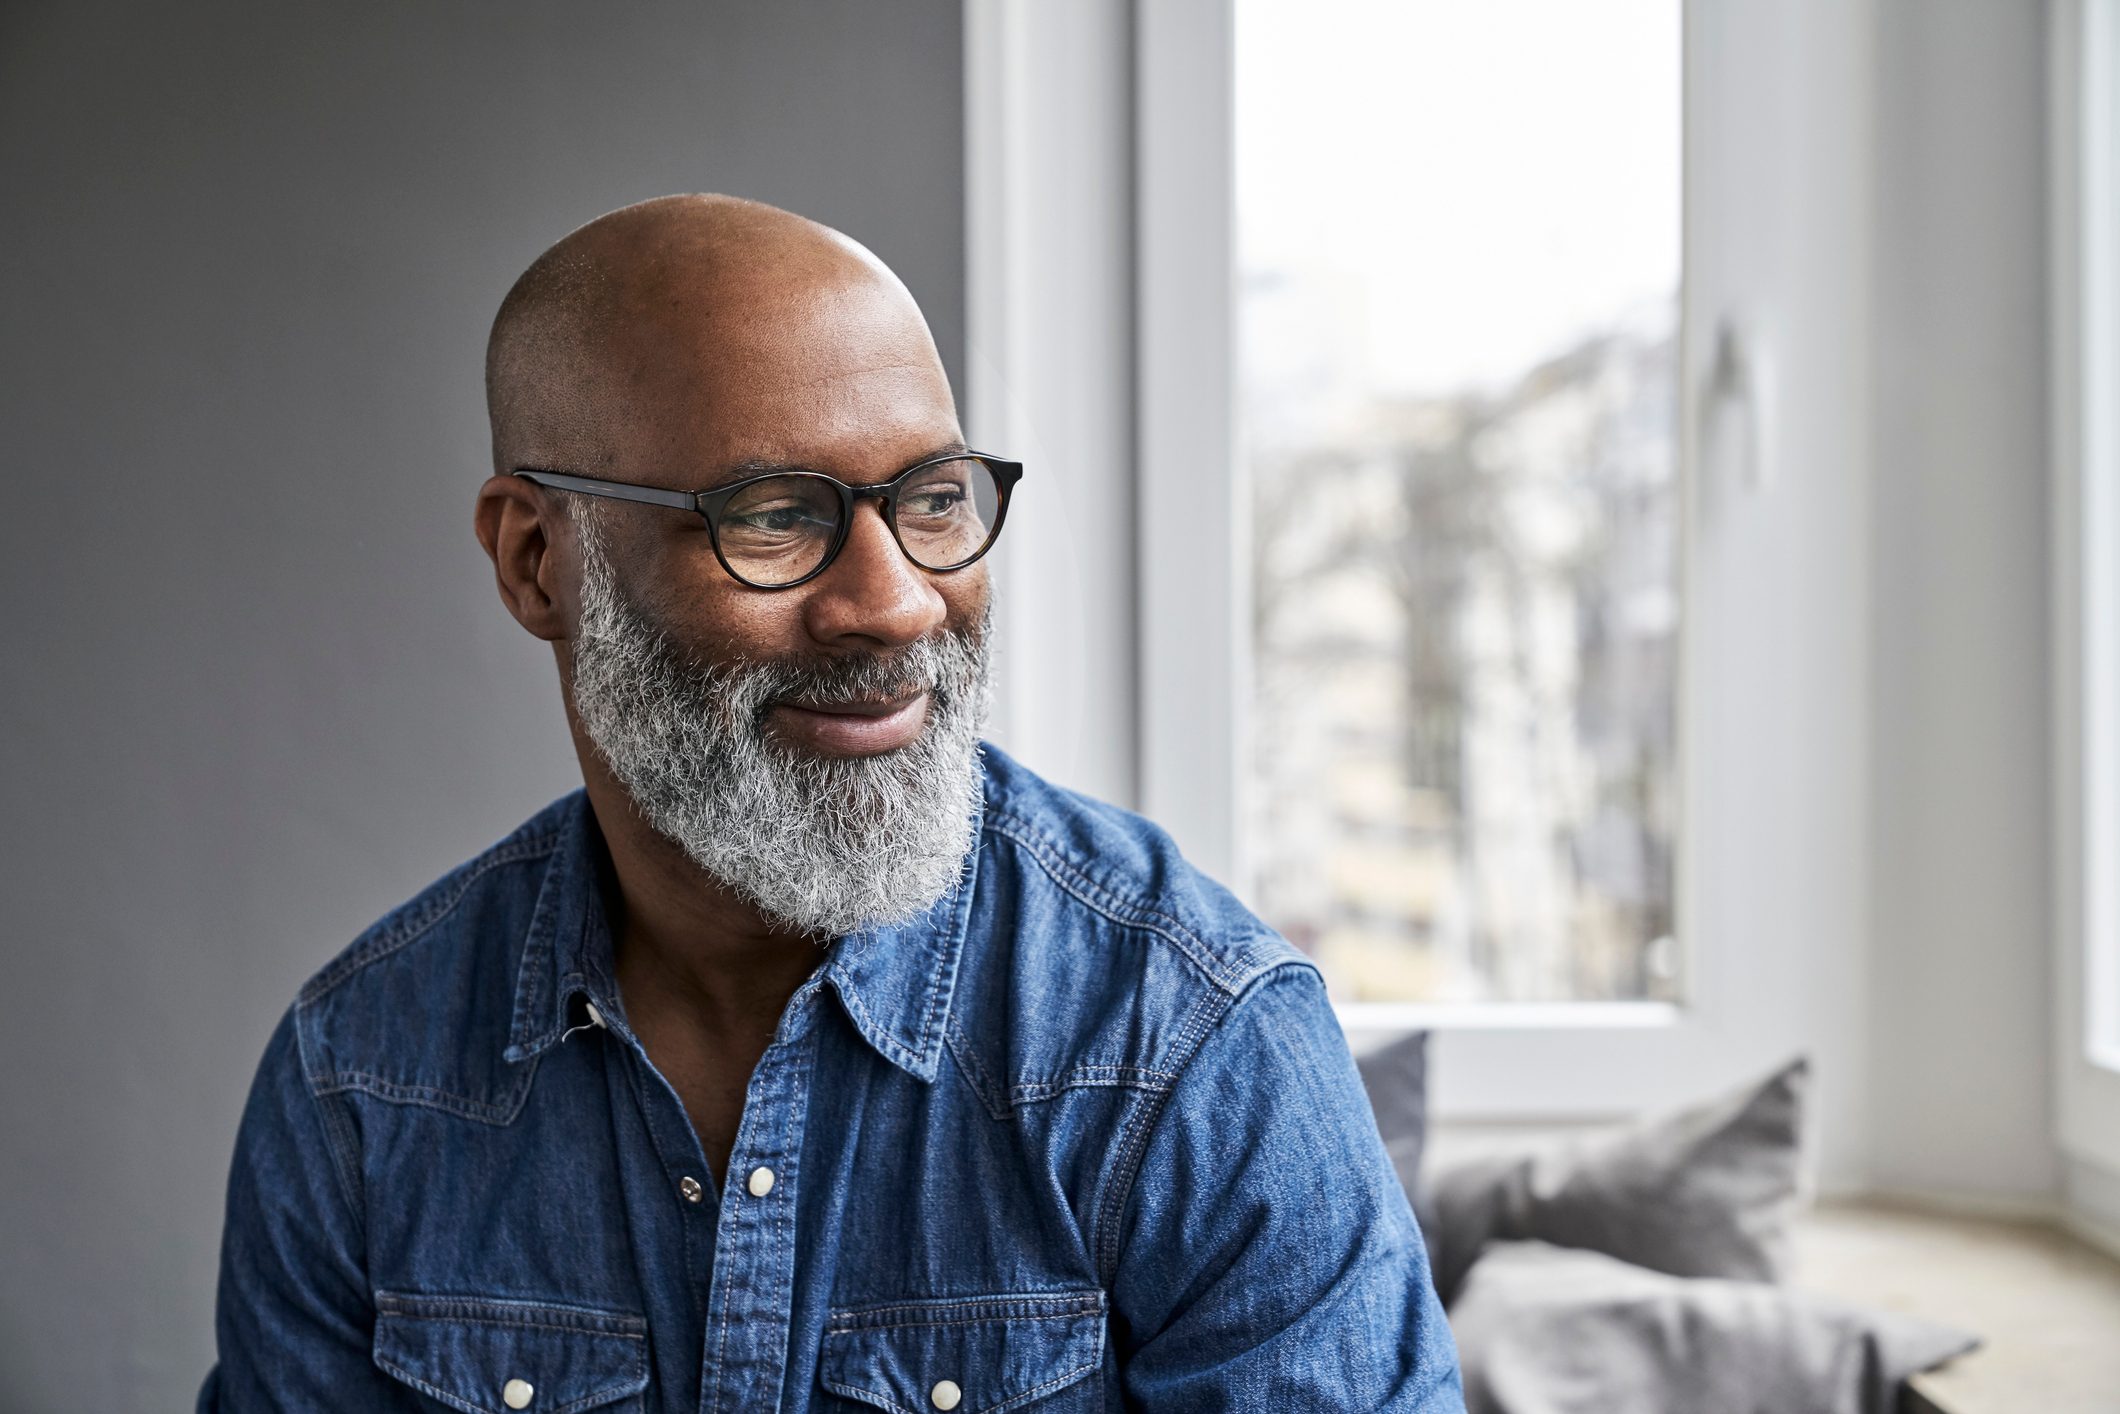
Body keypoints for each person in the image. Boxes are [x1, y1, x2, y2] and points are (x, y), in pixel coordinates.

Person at [198, 194, 1463, 1412]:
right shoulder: (361, 1084)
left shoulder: (1188, 1044)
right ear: (538, 561)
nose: (898, 601)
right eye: (773, 515)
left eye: (930, 498)